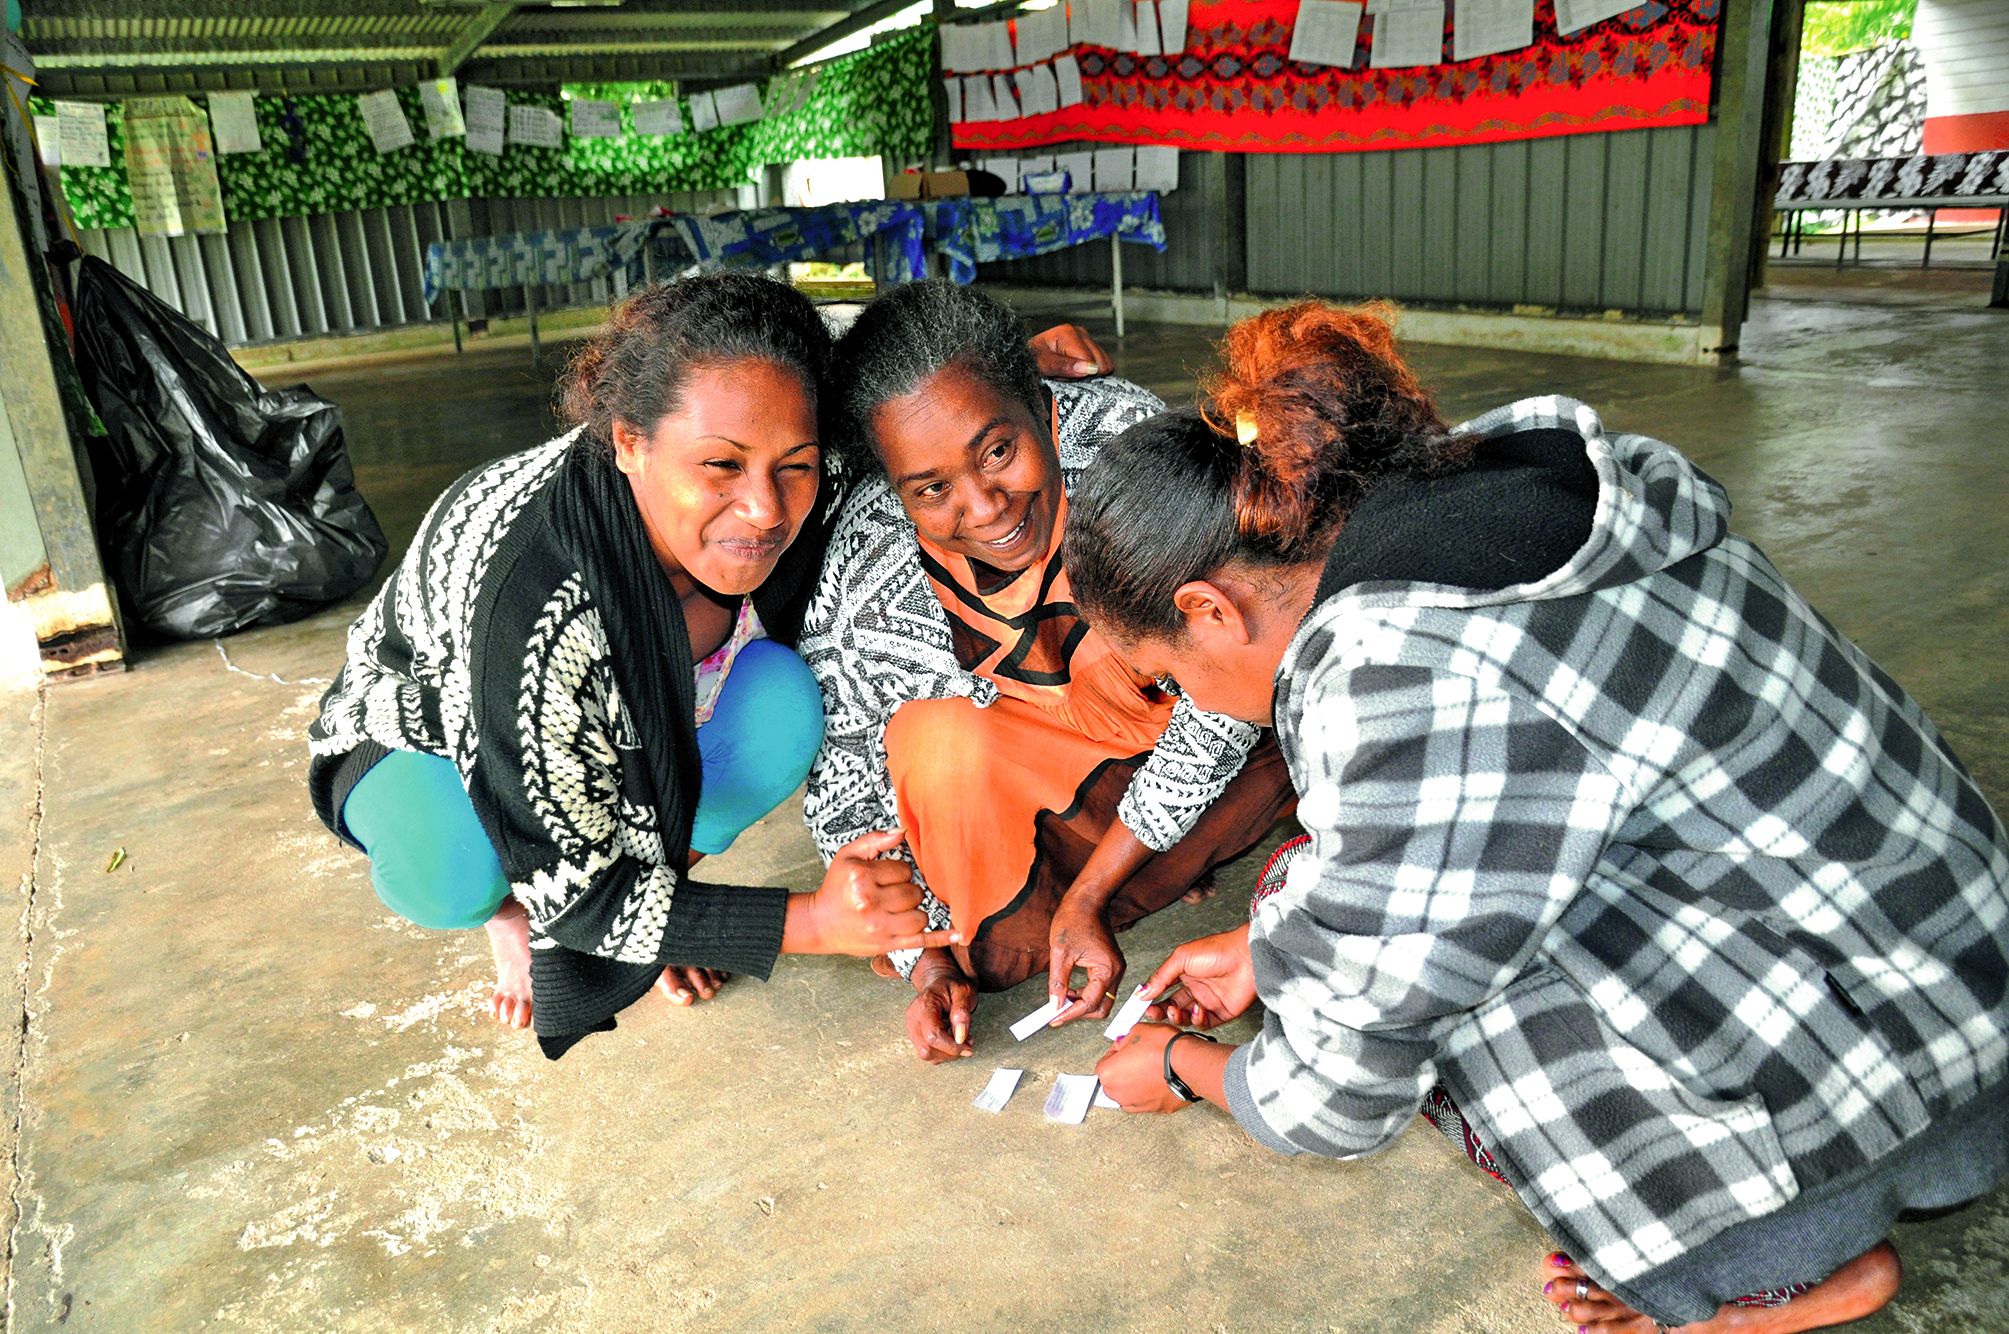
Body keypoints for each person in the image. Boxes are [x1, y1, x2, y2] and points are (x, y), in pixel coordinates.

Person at [1074, 301, 2009, 1333]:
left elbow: (1340, 1090)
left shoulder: (1397, 669)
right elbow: (1500, 809)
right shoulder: (1475, 501)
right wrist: (1266, 946)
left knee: (1438, 1002)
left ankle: (1764, 1270)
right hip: (1955, 978)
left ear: (1210, 609)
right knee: (1306, 893)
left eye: (1169, 678)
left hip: (1898, 1081)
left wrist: (1184, 1068)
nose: (1191, 704)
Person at [306, 273, 1107, 1058]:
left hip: (650, 704)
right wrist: (811, 923)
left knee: (781, 709)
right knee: (451, 874)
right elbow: (578, 898)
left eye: (793, 463)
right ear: (628, 441)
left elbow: (897, 372)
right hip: (432, 731)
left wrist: (1003, 371)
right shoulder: (537, 596)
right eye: (720, 467)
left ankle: (665, 890)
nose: (764, 510)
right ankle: (507, 916)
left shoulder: (778, 402)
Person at [799, 281, 1296, 1066]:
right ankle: (1153, 878)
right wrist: (921, 957)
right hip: (1054, 801)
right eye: (930, 490)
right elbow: (847, 789)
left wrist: (1091, 895)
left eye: (998, 451)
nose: (985, 505)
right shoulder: (864, 572)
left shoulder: (1129, 450)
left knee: (1259, 675)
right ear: (889, 488)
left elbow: (1227, 695)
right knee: (935, 748)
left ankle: (1142, 875)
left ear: (1041, 401)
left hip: (1201, 758)